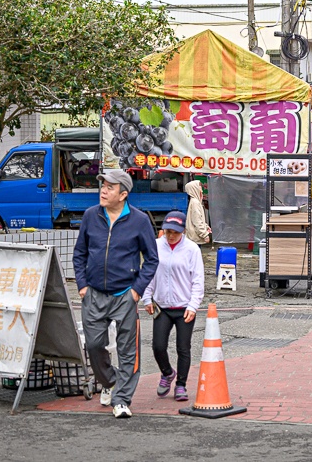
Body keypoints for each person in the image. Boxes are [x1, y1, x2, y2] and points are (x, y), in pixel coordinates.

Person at [73, 169, 159, 418]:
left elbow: (152, 260)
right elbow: (80, 253)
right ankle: (110, 382)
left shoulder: (139, 220)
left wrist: (137, 291)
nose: (103, 190)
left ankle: (121, 399)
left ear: (123, 194)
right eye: (103, 186)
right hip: (94, 294)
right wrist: (82, 285)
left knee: (128, 351)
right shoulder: (91, 216)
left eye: (109, 187)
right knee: (94, 344)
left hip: (125, 294)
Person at [142, 211, 204, 402]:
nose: (171, 236)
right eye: (168, 231)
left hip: (184, 306)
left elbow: (198, 281)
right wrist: (147, 298)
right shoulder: (156, 246)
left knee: (183, 348)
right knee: (158, 346)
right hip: (162, 306)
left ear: (183, 231)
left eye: (175, 232)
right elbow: (149, 272)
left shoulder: (192, 249)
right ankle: (167, 373)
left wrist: (193, 306)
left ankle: (181, 385)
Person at [183, 180, 211, 245]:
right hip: (195, 238)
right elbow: (197, 221)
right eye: (200, 188)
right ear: (195, 189)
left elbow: (198, 218)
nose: (202, 191)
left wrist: (206, 226)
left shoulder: (194, 201)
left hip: (194, 237)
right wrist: (204, 235)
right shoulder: (195, 203)